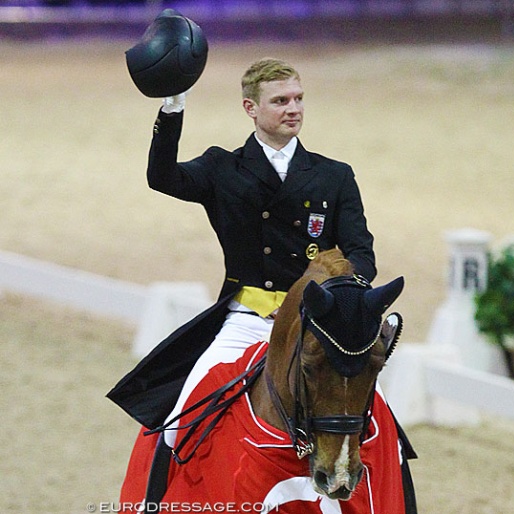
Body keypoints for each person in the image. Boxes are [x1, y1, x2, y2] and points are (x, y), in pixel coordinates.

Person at [108, 58, 376, 431]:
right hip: (248, 318)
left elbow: (361, 253)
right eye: (281, 101)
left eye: (298, 99)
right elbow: (162, 177)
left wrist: (345, 299)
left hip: (313, 322)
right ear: (251, 108)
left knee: (374, 425)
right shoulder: (222, 168)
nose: (294, 109)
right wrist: (172, 109)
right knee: (180, 422)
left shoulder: (334, 175)